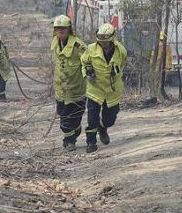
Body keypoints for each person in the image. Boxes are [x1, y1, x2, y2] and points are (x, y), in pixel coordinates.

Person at [81, 22, 127, 153]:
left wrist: (115, 73)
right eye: (101, 41)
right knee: (92, 118)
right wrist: (87, 73)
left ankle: (103, 128)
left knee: (109, 120)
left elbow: (121, 66)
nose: (103, 44)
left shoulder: (121, 51)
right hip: (95, 89)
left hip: (112, 91)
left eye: (106, 42)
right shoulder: (90, 49)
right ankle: (91, 142)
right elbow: (83, 63)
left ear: (112, 39)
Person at [50, 14, 86, 151]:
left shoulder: (78, 46)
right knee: (64, 119)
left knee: (75, 118)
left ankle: (72, 136)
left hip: (77, 90)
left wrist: (89, 70)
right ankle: (70, 140)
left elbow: (88, 60)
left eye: (63, 28)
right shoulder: (55, 43)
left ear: (69, 29)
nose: (60, 31)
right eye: (57, 29)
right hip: (61, 90)